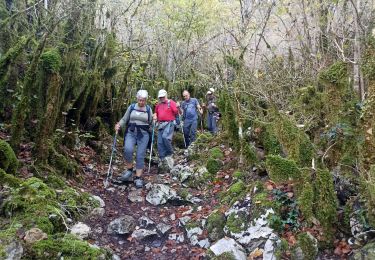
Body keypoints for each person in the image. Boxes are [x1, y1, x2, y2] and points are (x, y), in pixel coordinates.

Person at [115, 89, 152, 188]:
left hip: (144, 135)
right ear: (137, 99)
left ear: (146, 100)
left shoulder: (148, 109)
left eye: (143, 100)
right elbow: (124, 119)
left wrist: (155, 121)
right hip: (131, 133)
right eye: (140, 100)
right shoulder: (131, 107)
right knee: (128, 150)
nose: (141, 102)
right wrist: (119, 125)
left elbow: (151, 123)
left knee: (140, 155)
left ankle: (138, 177)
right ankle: (129, 170)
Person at [153, 89, 179, 168]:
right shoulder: (158, 105)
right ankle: (162, 157)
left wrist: (177, 107)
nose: (161, 98)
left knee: (165, 137)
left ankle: (169, 153)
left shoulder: (171, 102)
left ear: (166, 95)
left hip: (169, 123)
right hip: (160, 124)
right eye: (160, 97)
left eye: (163, 97)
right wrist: (155, 116)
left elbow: (176, 112)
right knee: (159, 142)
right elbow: (156, 113)